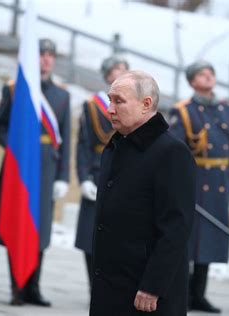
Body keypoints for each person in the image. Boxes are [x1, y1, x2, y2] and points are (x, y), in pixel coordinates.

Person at [90, 70, 196, 315]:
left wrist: (153, 286)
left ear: (146, 104)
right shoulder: (116, 146)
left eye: (119, 101)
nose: (110, 109)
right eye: (110, 100)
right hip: (111, 285)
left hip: (146, 293)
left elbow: (176, 228)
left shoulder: (171, 152)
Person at [0, 38, 71, 306]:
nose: (46, 59)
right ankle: (17, 287)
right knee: (18, 224)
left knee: (40, 228)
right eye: (41, 54)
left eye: (50, 54)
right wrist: (15, 146)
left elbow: (65, 138)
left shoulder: (62, 95)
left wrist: (62, 176)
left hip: (46, 167)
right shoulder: (14, 90)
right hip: (20, 168)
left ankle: (34, 286)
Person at [169, 61, 229, 313]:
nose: (209, 76)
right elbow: (175, 153)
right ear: (192, 81)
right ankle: (182, 292)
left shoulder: (228, 111)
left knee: (209, 239)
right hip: (195, 180)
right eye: (202, 73)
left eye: (211, 73)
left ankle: (199, 294)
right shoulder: (183, 111)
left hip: (219, 182)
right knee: (188, 239)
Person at [75, 55, 129, 290]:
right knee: (92, 235)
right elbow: (84, 144)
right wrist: (84, 177)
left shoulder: (135, 106)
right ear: (107, 76)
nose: (121, 73)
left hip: (126, 172)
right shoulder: (93, 105)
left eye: (125, 70)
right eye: (116, 70)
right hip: (99, 171)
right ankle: (94, 285)